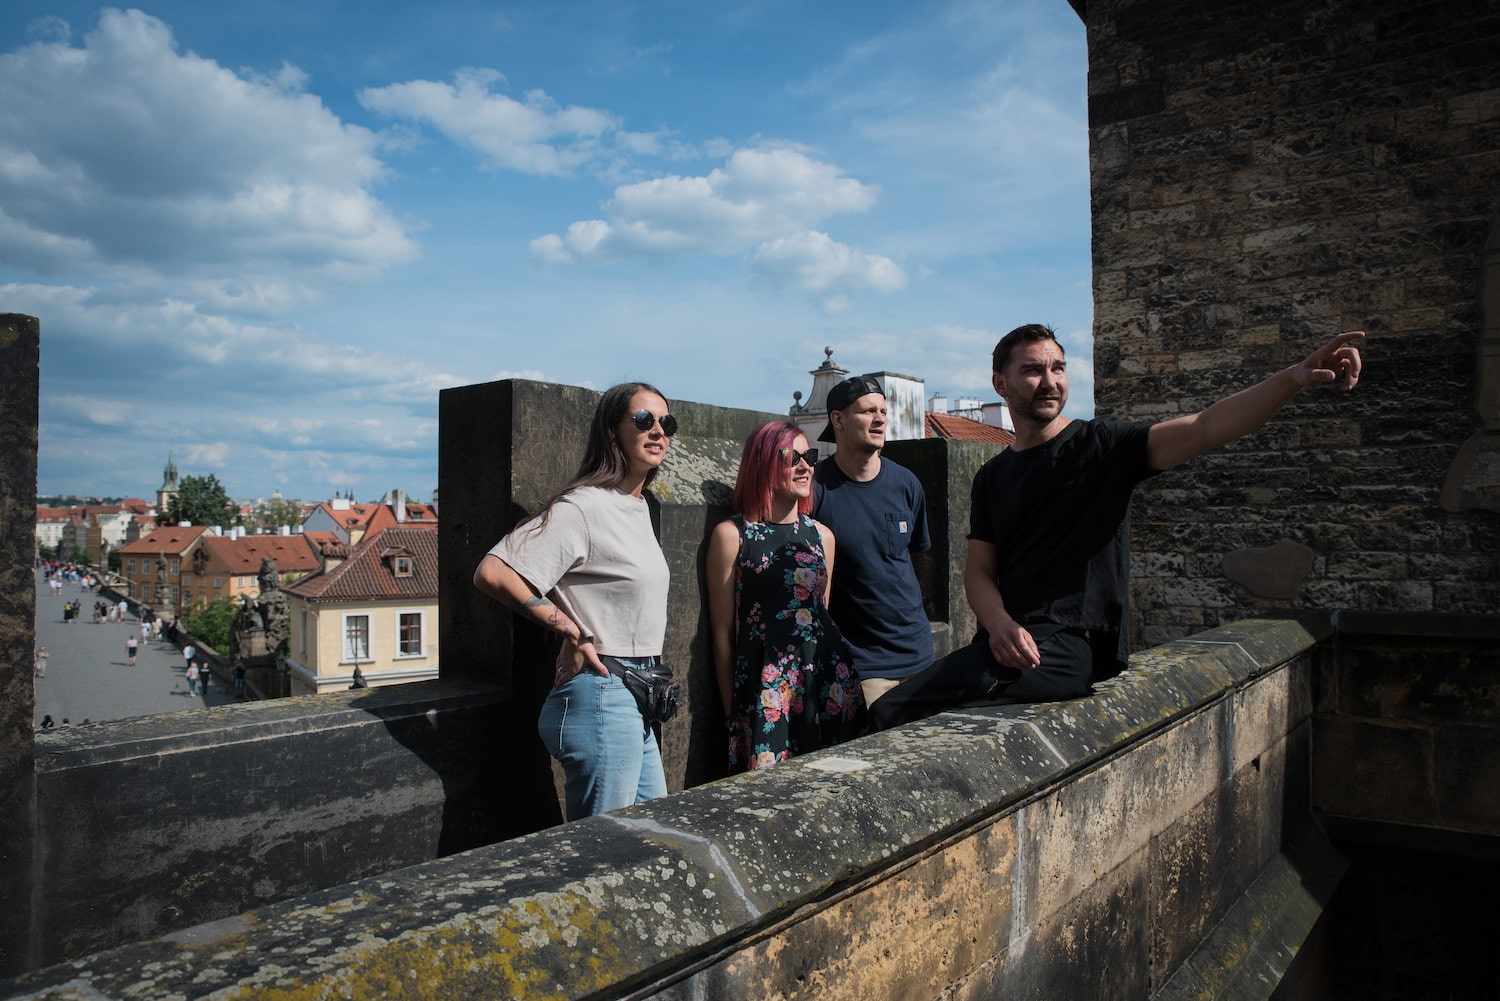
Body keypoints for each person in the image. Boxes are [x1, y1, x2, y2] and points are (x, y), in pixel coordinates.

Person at [870, 325, 1365, 730]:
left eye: (1058, 368)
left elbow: (1206, 427)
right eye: (1033, 370)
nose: (1050, 381)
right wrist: (1000, 624)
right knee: (898, 710)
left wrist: (1293, 377)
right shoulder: (992, 476)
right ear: (1000, 384)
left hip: (1068, 647)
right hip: (1005, 644)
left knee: (893, 711)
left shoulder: (1103, 445)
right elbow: (979, 572)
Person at [473, 382, 677, 821]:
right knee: (605, 845)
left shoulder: (637, 506)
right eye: (644, 420)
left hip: (636, 690)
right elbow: (493, 571)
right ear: (612, 430)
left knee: (653, 833)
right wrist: (567, 627)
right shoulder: (583, 507)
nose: (658, 430)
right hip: (604, 693)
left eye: (667, 422)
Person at [707, 422, 864, 773]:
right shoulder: (732, 535)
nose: (805, 466)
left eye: (809, 457)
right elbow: (722, 635)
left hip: (827, 684)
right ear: (762, 462)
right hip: (767, 693)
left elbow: (821, 616)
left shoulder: (822, 537)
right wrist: (733, 713)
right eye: (792, 457)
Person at [812, 375, 934, 708]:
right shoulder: (816, 488)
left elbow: (918, 560)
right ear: (838, 420)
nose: (880, 419)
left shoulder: (906, 483)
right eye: (868, 411)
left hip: (920, 656)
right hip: (863, 666)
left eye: (883, 411)